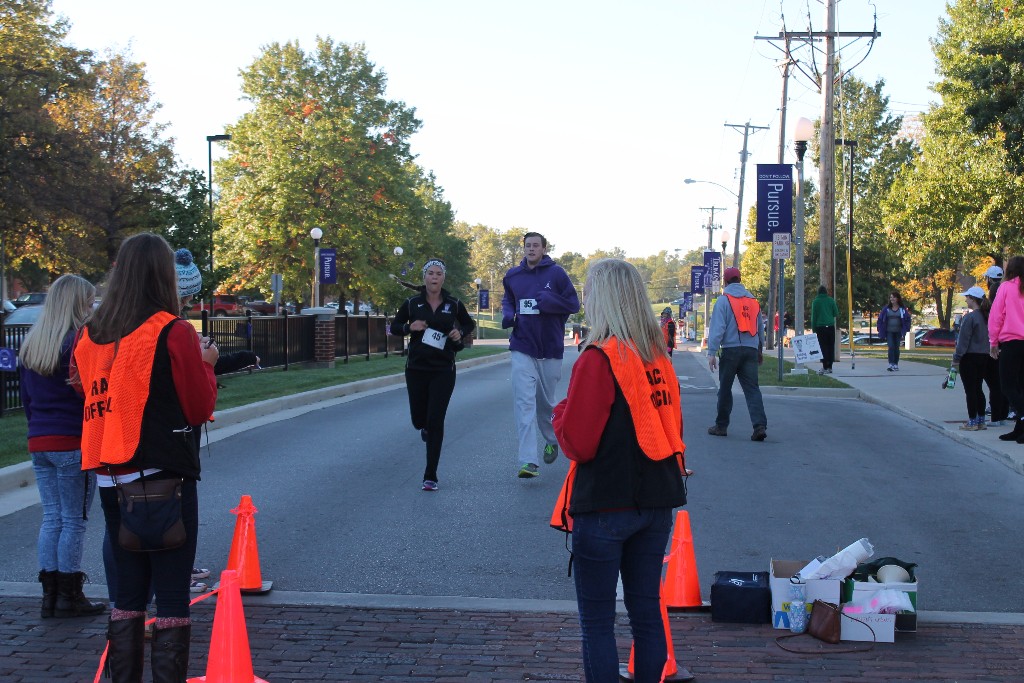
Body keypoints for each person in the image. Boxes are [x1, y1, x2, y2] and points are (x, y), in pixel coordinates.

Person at [72, 232, 218, 682]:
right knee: (172, 598)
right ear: (164, 275)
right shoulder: (172, 331)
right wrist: (208, 364)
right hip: (161, 480)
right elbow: (199, 407)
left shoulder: (89, 335)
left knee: (127, 596)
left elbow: (86, 391)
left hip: (109, 476)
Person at [551, 259, 689, 683]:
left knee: (597, 621)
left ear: (604, 297)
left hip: (607, 503)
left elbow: (578, 442)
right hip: (657, 498)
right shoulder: (658, 359)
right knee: (646, 610)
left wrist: (560, 414)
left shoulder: (599, 357)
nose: (585, 299)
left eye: (589, 291)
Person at [18, 274, 106, 619]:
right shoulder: (77, 343)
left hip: (39, 439)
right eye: (88, 302)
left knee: (52, 517)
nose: (91, 308)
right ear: (76, 304)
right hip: (72, 439)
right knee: (74, 520)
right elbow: (87, 393)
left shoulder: (32, 343)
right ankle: (70, 593)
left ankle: (50, 595)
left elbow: (27, 400)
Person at [389, 258, 475, 491]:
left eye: (439, 274)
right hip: (416, 368)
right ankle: (424, 427)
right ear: (424, 277)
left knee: (436, 420)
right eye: (431, 273)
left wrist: (459, 332)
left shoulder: (454, 304)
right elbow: (394, 327)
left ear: (443, 278)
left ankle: (431, 475)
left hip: (443, 369)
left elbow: (469, 323)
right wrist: (410, 327)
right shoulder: (411, 303)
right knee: (419, 419)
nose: (434, 277)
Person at [501, 232, 580, 478]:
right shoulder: (513, 276)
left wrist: (549, 301)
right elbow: (508, 300)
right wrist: (508, 313)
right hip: (522, 345)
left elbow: (573, 304)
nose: (531, 249)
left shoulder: (556, 274)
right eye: (528, 245)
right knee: (524, 402)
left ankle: (552, 438)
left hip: (550, 347)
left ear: (544, 249)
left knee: (545, 403)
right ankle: (528, 461)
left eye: (536, 245)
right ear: (523, 248)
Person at [707, 266, 768, 441]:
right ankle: (759, 426)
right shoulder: (753, 301)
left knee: (725, 389)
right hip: (750, 350)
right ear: (740, 280)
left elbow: (718, 329)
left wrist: (711, 352)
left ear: (725, 282)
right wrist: (760, 349)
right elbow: (759, 329)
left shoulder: (723, 301)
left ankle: (721, 426)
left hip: (730, 350)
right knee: (752, 389)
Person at [953, 287, 1007, 430]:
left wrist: (956, 358)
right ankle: (981, 420)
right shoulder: (987, 317)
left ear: (973, 299)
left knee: (970, 390)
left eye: (967, 298)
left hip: (969, 357)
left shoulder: (970, 318)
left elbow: (963, 341)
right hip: (984, 356)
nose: (966, 300)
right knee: (978, 389)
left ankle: (972, 421)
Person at [989, 255, 1024, 444]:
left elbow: (996, 316)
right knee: (1021, 386)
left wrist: (993, 341)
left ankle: (1023, 418)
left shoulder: (1006, 288)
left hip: (1012, 341)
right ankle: (1020, 428)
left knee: (1008, 386)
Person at [877, 291, 912, 371]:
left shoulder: (902, 309)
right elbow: (880, 319)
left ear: (898, 299)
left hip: (898, 331)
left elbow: (907, 319)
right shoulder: (886, 309)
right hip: (889, 331)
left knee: (896, 348)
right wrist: (880, 328)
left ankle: (895, 364)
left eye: (893, 297)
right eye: (891, 297)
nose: (892, 299)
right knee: (891, 347)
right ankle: (891, 364)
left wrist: (906, 329)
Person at [810, 285, 840, 375]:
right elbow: (836, 313)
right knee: (831, 346)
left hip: (820, 327)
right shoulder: (831, 300)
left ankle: (824, 366)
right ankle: (830, 367)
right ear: (826, 292)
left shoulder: (816, 302)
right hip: (830, 327)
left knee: (822, 347)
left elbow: (813, 317)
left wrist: (814, 329)